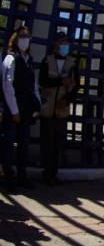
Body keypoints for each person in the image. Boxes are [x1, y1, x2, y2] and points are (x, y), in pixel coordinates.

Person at [1, 26, 42, 192]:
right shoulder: (11, 59)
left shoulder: (28, 60)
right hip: (13, 111)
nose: (25, 39)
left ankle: (22, 176)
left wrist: (38, 105)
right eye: (22, 36)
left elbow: (34, 86)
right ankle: (8, 178)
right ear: (16, 39)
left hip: (25, 111)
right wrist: (14, 110)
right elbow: (7, 86)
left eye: (27, 37)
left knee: (23, 146)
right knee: (9, 146)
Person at [38, 31, 79, 187]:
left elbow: (76, 85)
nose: (65, 45)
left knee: (57, 143)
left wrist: (67, 99)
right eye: (62, 42)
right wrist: (61, 81)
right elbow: (42, 81)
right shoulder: (47, 61)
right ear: (55, 44)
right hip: (48, 107)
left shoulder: (72, 63)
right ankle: (46, 172)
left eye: (67, 42)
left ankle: (54, 172)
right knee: (47, 142)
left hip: (62, 108)